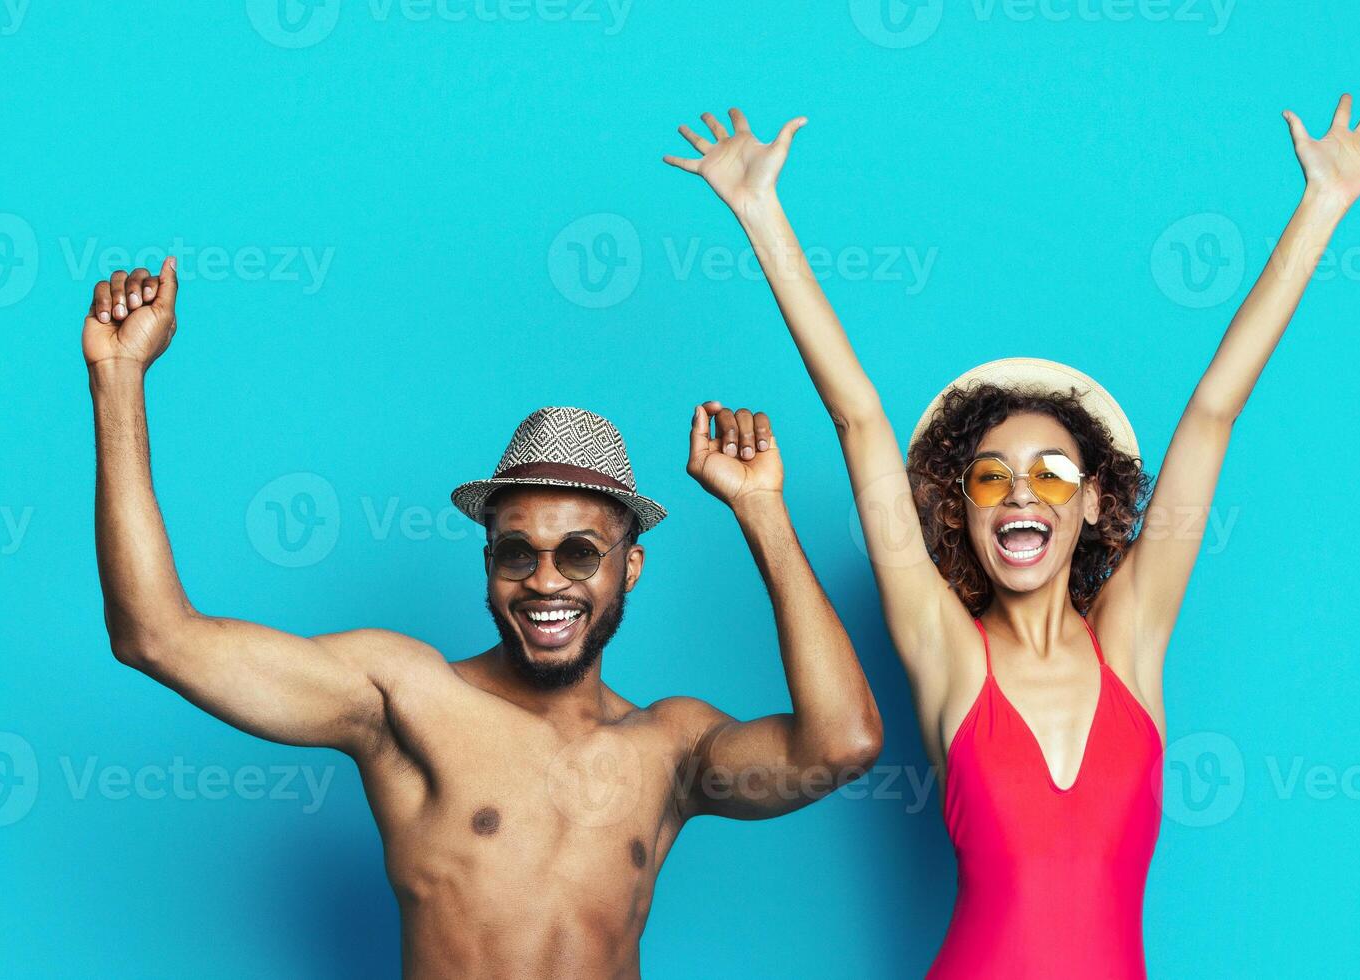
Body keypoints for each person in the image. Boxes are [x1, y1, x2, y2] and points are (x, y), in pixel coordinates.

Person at [662, 95, 1360, 977]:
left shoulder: (1132, 639)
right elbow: (858, 418)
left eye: (1051, 474)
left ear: (1093, 503)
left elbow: (1214, 411)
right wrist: (760, 211)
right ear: (962, 510)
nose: (1021, 493)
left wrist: (1321, 204)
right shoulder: (945, 649)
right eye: (992, 477)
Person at [82, 259, 882, 979]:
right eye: (516, 553)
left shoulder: (670, 748)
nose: (544, 581)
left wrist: (760, 511)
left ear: (629, 568)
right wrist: (118, 377)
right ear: (488, 561)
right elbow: (155, 636)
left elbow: (841, 742)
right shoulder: (404, 698)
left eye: (579, 554)